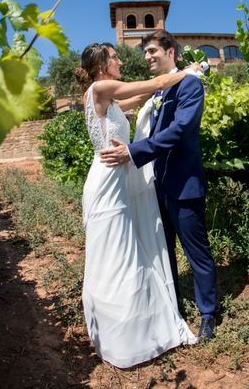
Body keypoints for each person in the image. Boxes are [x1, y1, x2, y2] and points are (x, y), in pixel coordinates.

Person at [76, 42, 200, 369]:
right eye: (114, 57)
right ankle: (126, 333)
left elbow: (136, 99)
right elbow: (157, 83)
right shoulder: (102, 86)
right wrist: (190, 73)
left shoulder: (106, 96)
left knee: (115, 251)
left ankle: (120, 326)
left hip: (113, 179)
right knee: (117, 253)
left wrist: (152, 97)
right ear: (102, 64)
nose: (120, 60)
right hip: (107, 183)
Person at [100, 30, 218, 342]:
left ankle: (208, 314)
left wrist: (132, 152)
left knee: (197, 252)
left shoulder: (190, 85)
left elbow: (179, 130)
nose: (148, 57)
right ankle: (173, 309)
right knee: (163, 252)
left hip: (184, 184)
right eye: (146, 52)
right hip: (157, 186)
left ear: (171, 51)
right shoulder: (160, 90)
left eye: (153, 51)